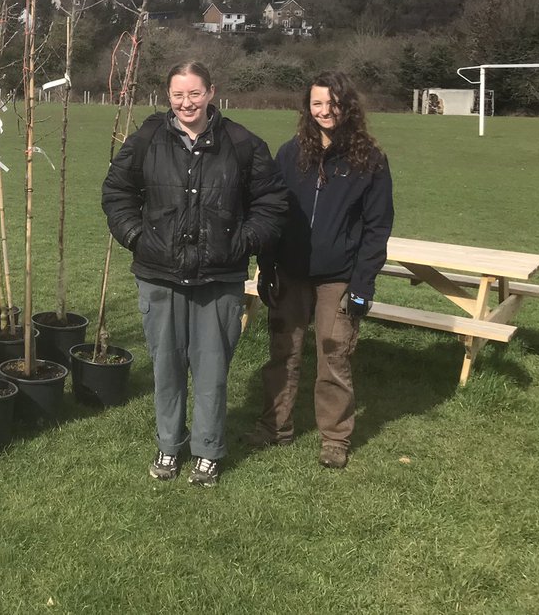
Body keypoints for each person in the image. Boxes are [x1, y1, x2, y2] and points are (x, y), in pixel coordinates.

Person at [102, 62, 287, 487]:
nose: (187, 103)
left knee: (211, 369)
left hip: (218, 280)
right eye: (178, 95)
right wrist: (136, 236)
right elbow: (116, 192)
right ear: (168, 95)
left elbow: (272, 202)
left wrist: (243, 242)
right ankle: (169, 444)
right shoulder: (148, 139)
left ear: (211, 92)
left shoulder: (241, 144)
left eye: (195, 93)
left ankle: (207, 449)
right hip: (158, 275)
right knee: (166, 367)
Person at [247, 71, 394, 468]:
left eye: (333, 103)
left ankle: (334, 438)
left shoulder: (370, 160)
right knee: (283, 353)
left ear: (348, 106)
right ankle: (274, 426)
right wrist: (267, 266)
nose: (325, 111)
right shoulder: (289, 154)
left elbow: (378, 226)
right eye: (317, 103)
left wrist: (363, 283)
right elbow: (272, 213)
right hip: (291, 272)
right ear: (307, 106)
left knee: (334, 357)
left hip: (339, 277)